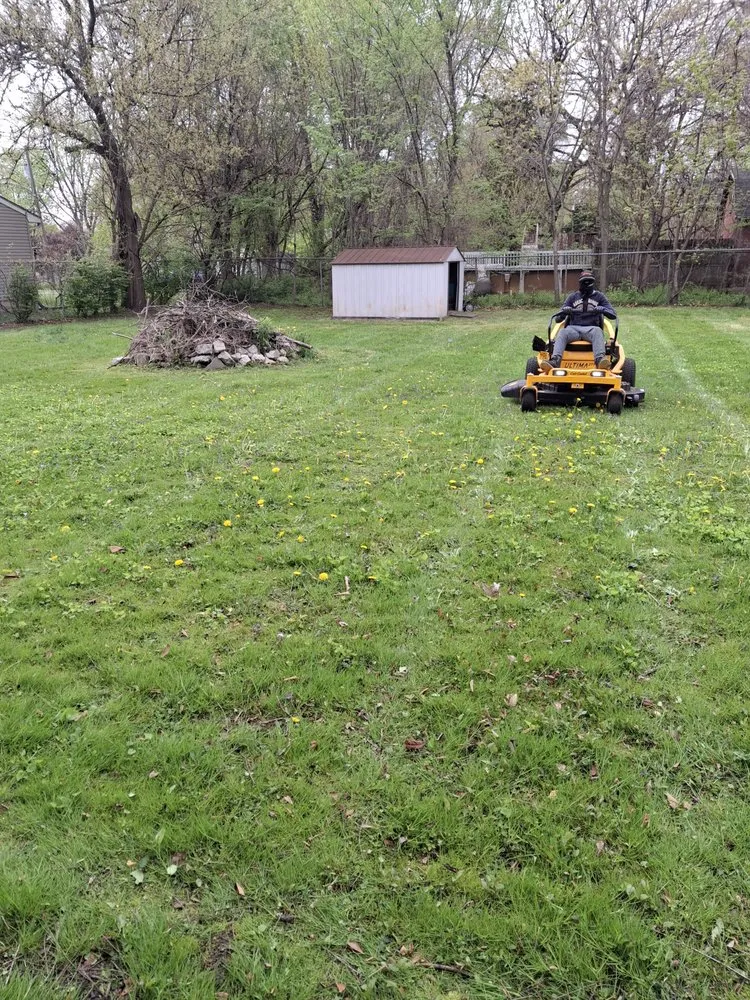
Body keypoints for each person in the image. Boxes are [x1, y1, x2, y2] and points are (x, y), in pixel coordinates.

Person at [540, 270, 616, 371]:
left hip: (592, 329)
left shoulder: (599, 297)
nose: (586, 284)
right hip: (573, 329)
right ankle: (555, 361)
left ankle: (600, 360)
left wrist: (603, 310)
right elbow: (558, 319)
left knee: (598, 331)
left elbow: (613, 315)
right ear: (580, 283)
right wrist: (565, 311)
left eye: (589, 282)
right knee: (562, 332)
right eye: (584, 282)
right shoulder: (572, 297)